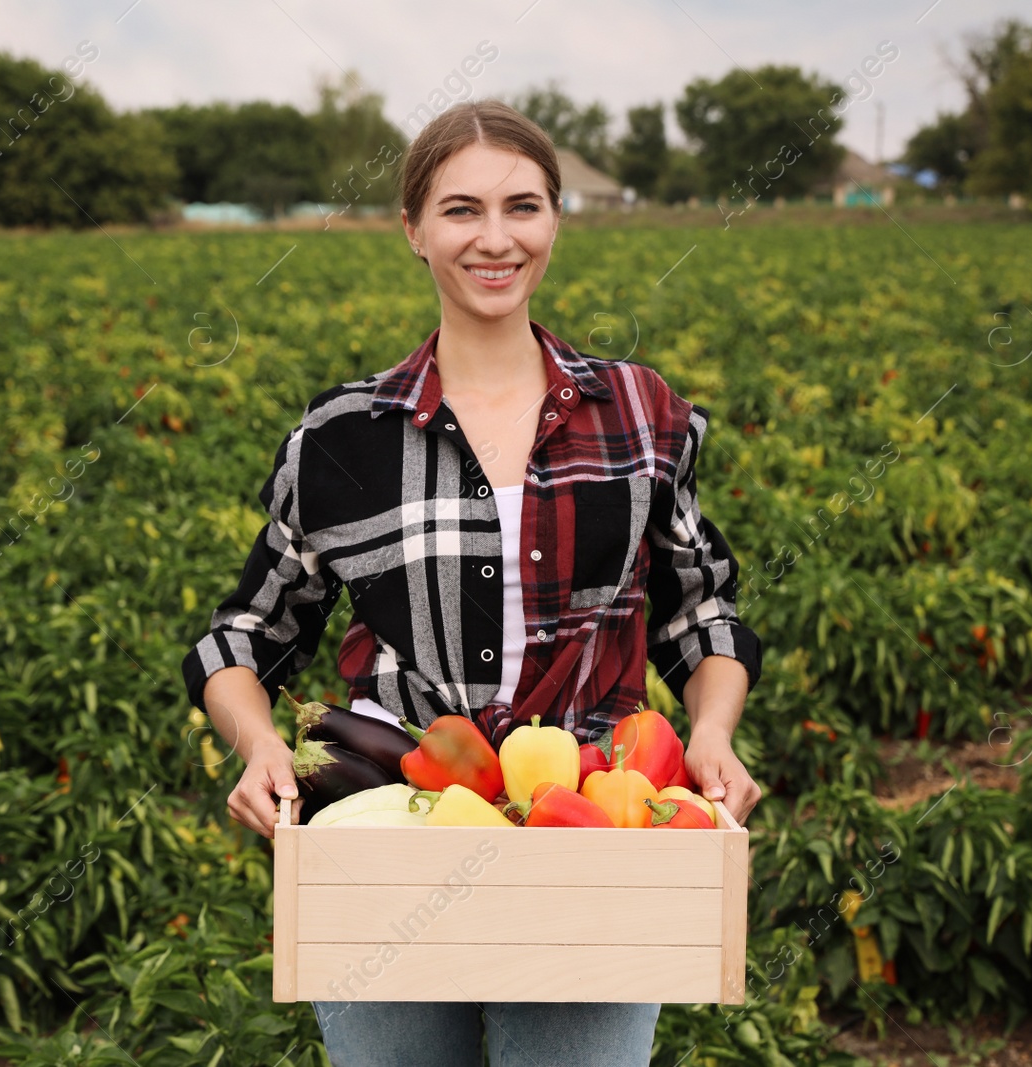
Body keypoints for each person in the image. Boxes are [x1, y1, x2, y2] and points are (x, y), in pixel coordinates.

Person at [179, 99, 763, 1067]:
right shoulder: (342, 437)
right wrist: (254, 746)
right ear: (411, 229)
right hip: (390, 820)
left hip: (593, 823)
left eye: (521, 206)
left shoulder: (639, 411)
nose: (494, 238)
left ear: (554, 220)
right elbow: (247, 634)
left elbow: (698, 610)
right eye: (460, 210)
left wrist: (708, 735)